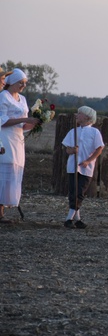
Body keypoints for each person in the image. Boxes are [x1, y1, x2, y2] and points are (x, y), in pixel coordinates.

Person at [0, 69, 40, 223]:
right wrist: (23, 119)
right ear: (12, 82)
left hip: (18, 139)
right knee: (4, 169)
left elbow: (23, 124)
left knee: (14, 171)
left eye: (25, 83)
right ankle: (0, 212)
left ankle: (7, 206)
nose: (23, 85)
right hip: (5, 136)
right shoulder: (3, 97)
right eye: (20, 82)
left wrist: (34, 123)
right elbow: (2, 121)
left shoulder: (22, 99)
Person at [61, 106, 104, 229]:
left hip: (86, 168)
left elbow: (99, 149)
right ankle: (77, 219)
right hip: (73, 167)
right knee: (73, 191)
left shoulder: (95, 132)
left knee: (79, 192)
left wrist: (88, 161)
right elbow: (67, 149)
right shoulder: (73, 131)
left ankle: (69, 218)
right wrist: (72, 150)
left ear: (87, 117)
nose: (77, 115)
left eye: (79, 114)